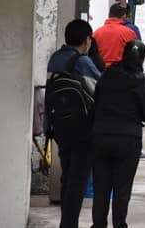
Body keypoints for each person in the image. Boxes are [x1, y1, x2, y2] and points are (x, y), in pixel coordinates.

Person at [90, 40, 145, 228]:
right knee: (122, 188)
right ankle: (119, 224)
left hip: (101, 136)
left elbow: (95, 104)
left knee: (101, 187)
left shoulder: (106, 77)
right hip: (128, 139)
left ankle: (98, 225)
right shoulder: (141, 82)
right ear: (142, 58)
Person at [46, 19, 101, 228]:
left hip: (59, 127)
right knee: (78, 180)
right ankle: (69, 224)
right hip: (82, 129)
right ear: (87, 40)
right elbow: (98, 89)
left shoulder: (55, 58)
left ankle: (67, 221)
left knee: (67, 176)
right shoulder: (82, 62)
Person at [92, 3, 138, 68]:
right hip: (121, 73)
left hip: (101, 74)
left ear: (109, 15)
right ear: (124, 16)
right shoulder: (129, 33)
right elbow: (136, 52)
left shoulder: (96, 33)